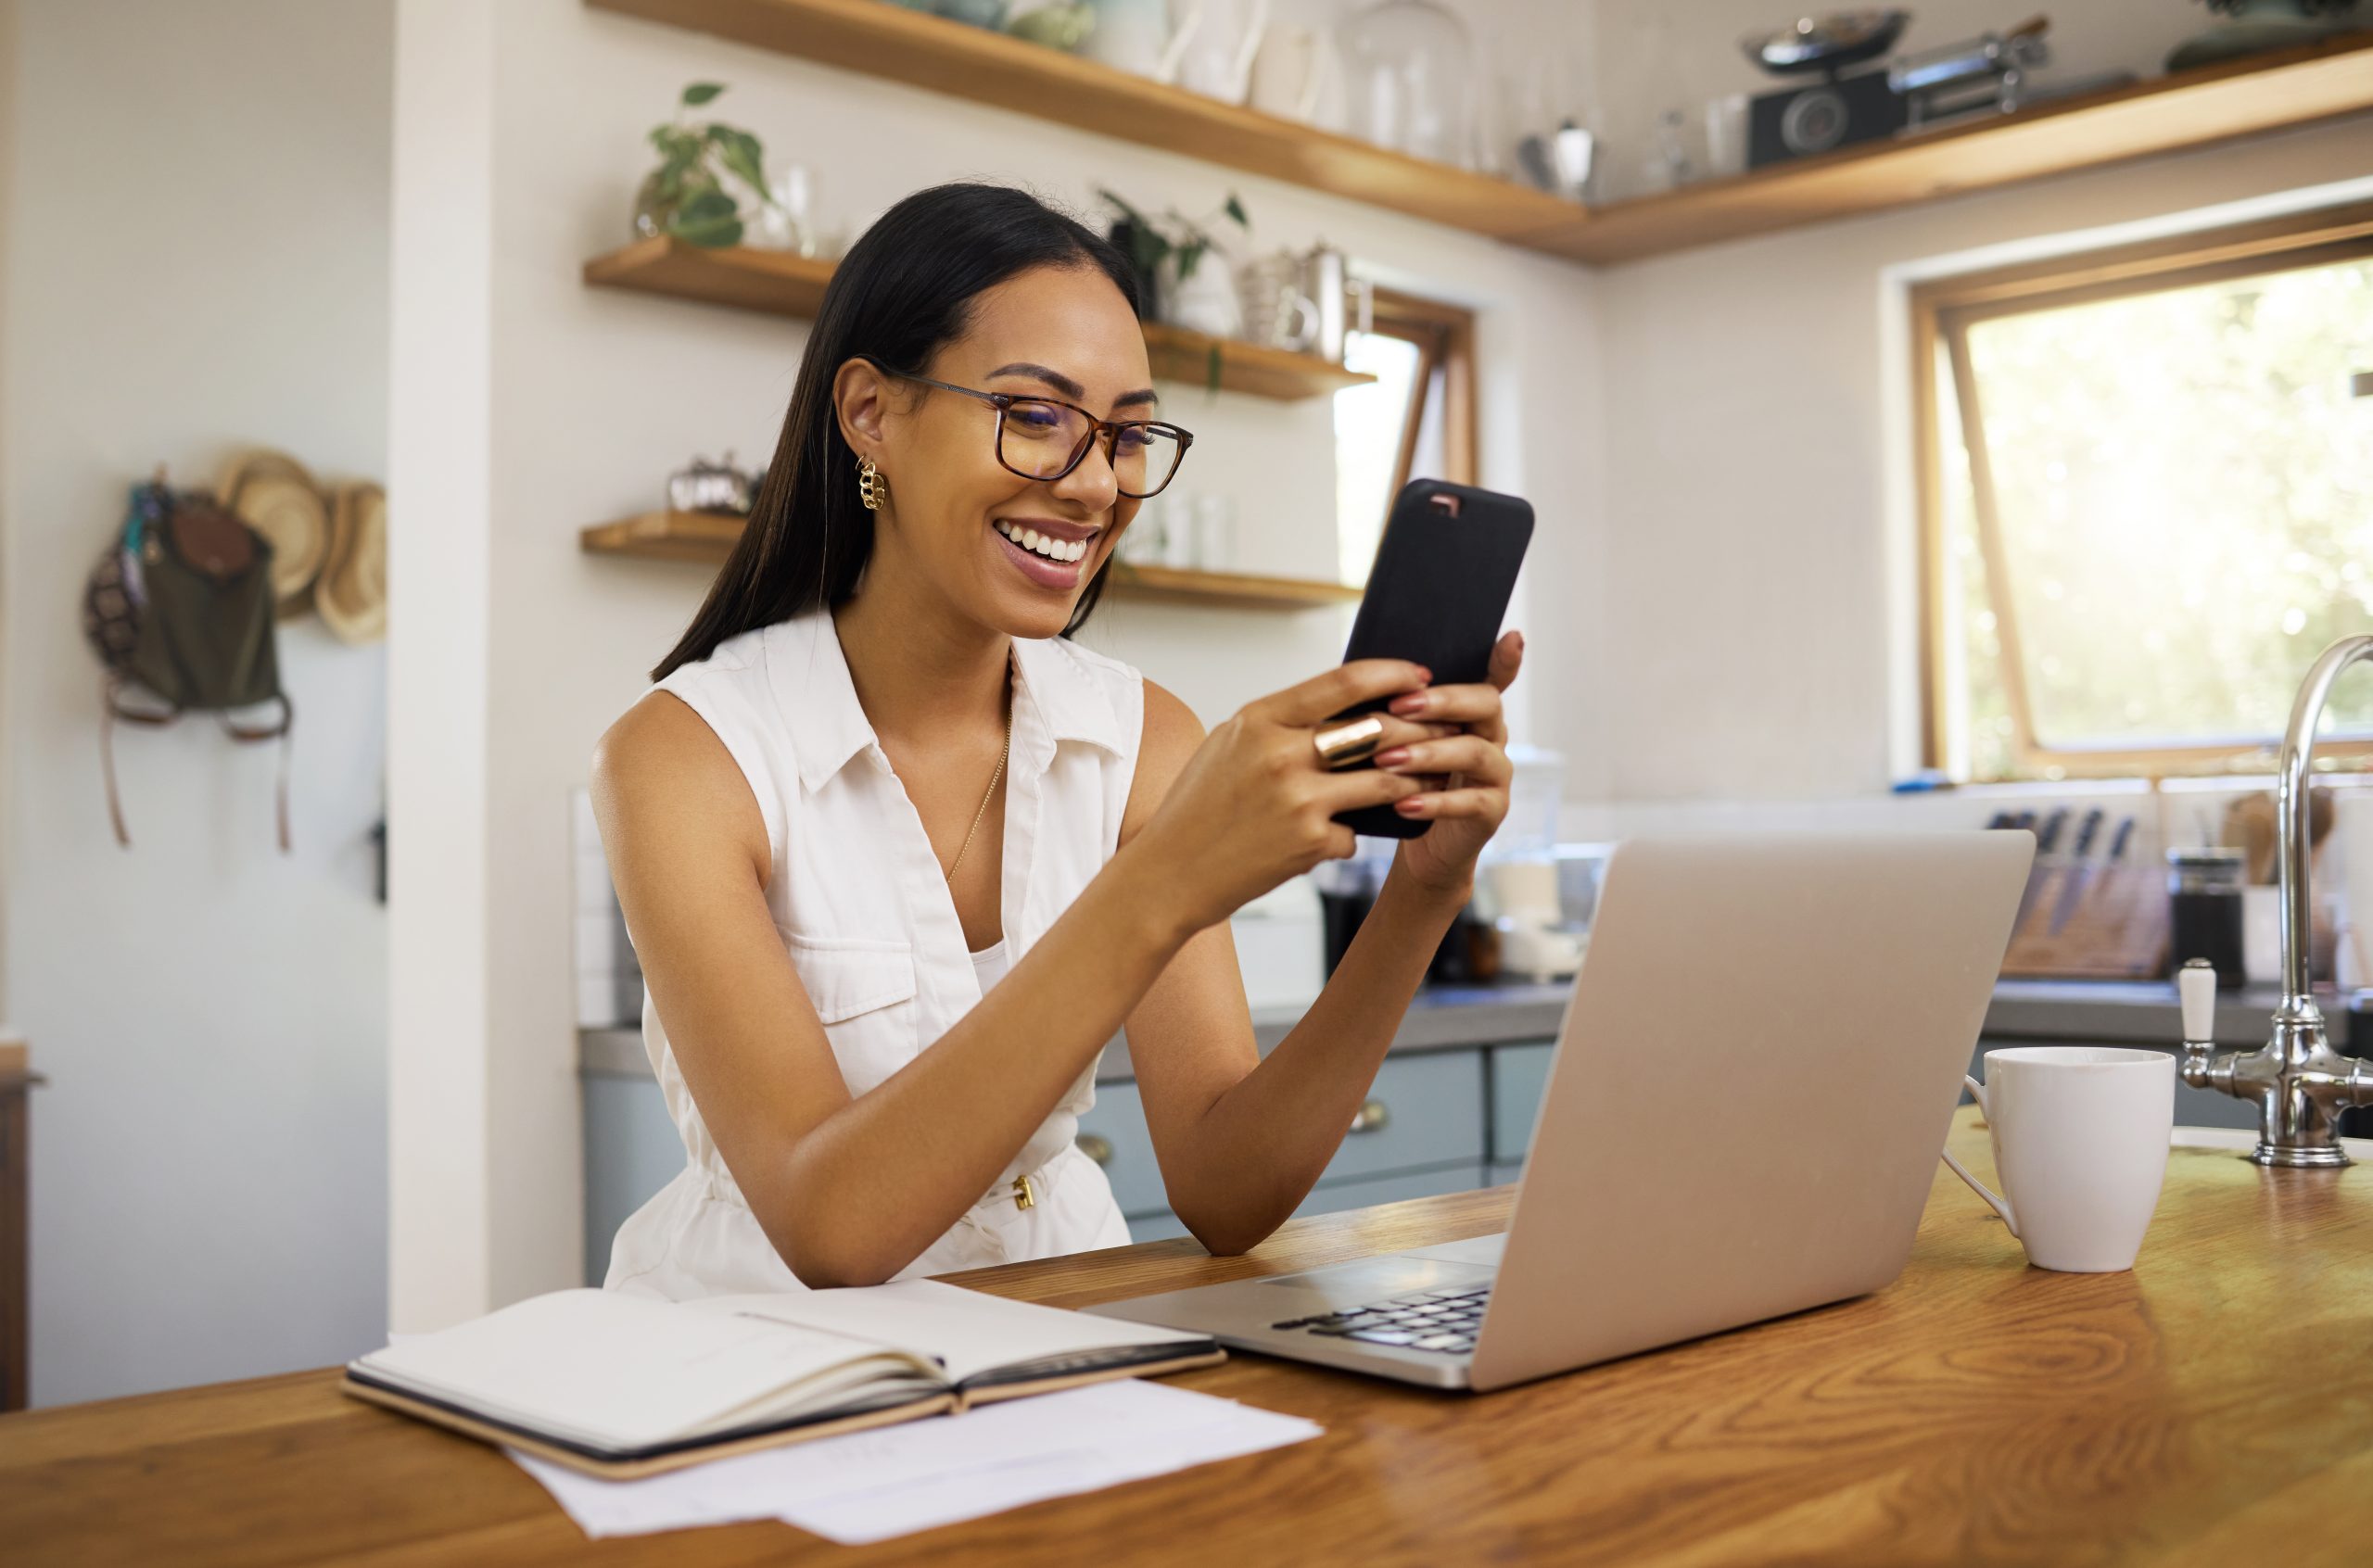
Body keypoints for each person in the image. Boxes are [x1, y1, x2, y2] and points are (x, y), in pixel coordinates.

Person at [591, 182, 1523, 1296]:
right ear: (869, 413)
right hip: (754, 1367)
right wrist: (1166, 879)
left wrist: (1420, 893)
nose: (1092, 485)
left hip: (1061, 1322)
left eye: (1126, 435)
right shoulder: (684, 757)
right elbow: (829, 1229)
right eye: (1034, 416)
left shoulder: (1141, 738)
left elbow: (1228, 1191)